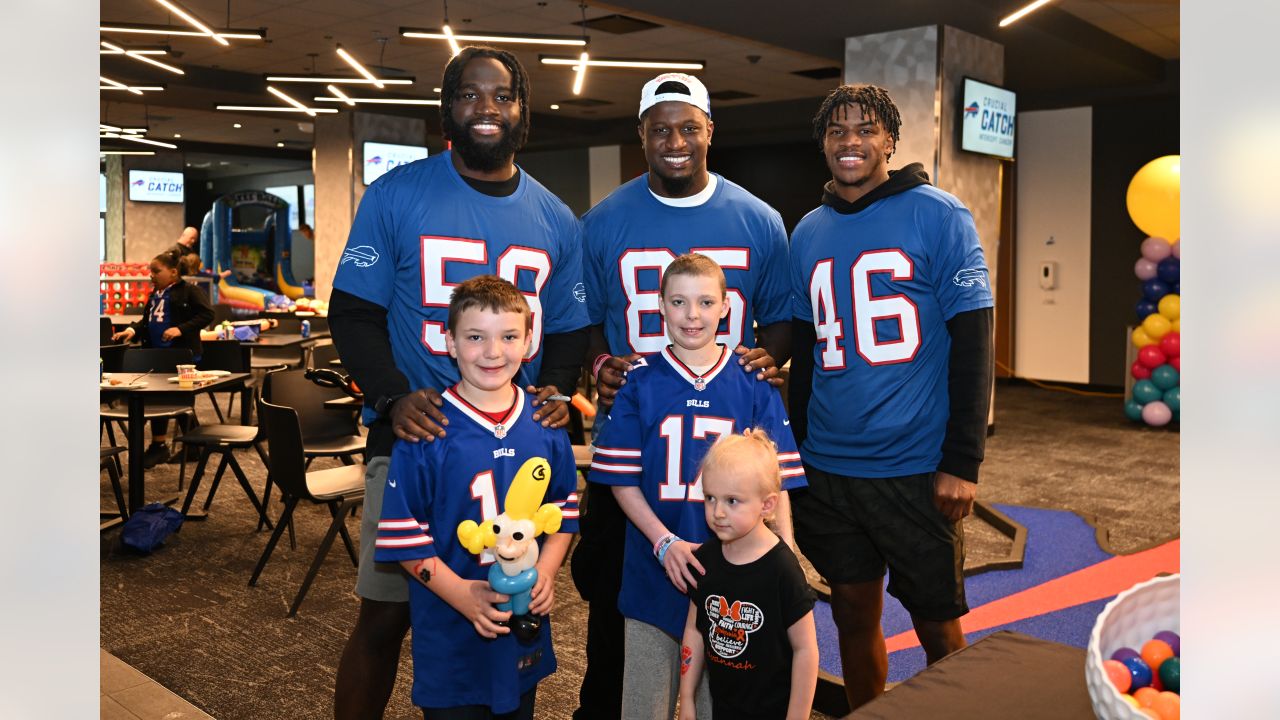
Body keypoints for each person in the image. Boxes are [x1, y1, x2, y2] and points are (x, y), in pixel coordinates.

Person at [329, 45, 589, 720]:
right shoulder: (396, 194)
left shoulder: (557, 218)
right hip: (419, 440)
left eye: (501, 96)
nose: (486, 109)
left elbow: (566, 326)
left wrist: (556, 390)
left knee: (503, 605)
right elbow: (353, 314)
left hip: (512, 449)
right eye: (469, 95)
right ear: (447, 109)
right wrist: (391, 394)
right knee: (384, 621)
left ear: (522, 112)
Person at [572, 72, 793, 719]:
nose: (675, 141)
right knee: (619, 618)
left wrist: (767, 355)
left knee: (734, 620)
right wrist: (599, 361)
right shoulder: (604, 220)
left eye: (688, 127)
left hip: (728, 455)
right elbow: (580, 318)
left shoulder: (759, 219)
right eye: (660, 128)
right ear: (641, 135)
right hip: (636, 449)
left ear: (710, 133)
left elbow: (781, 314)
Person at [787, 84, 994, 711]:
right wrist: (797, 452)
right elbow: (805, 353)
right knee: (852, 610)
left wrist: (963, 461)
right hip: (829, 467)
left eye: (865, 129)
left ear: (889, 141)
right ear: (823, 143)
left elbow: (975, 341)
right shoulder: (808, 229)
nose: (851, 142)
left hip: (915, 465)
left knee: (937, 623)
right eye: (837, 131)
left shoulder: (941, 214)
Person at [588, 253, 806, 720]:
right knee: (643, 703)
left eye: (706, 302)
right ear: (660, 306)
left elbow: (777, 480)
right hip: (656, 562)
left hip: (732, 570)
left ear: (726, 307)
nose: (693, 315)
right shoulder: (639, 380)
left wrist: (784, 548)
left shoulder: (752, 381)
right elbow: (621, 481)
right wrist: (663, 541)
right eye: (680, 302)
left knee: (719, 702)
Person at [373, 275, 579, 719]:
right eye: (474, 337)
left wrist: (546, 570)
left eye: (508, 336)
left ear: (528, 341)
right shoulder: (426, 430)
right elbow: (404, 539)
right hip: (452, 633)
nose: (492, 352)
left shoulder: (546, 424)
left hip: (522, 630)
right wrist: (462, 594)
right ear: (449, 342)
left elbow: (563, 512)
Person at [678, 430, 818, 720]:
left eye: (731, 501)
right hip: (724, 708)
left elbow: (806, 651)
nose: (717, 512)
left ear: (767, 505)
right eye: (709, 498)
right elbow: (694, 630)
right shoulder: (706, 560)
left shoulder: (783, 570)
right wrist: (688, 699)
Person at [111, 250, 214, 468]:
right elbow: (146, 322)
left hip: (181, 355)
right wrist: (132, 331)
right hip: (157, 355)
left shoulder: (189, 291)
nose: (151, 275)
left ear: (174, 272)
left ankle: (184, 446)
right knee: (161, 398)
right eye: (150, 271)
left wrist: (180, 329)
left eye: (156, 271)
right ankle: (163, 446)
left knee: (176, 399)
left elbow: (207, 314)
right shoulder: (155, 295)